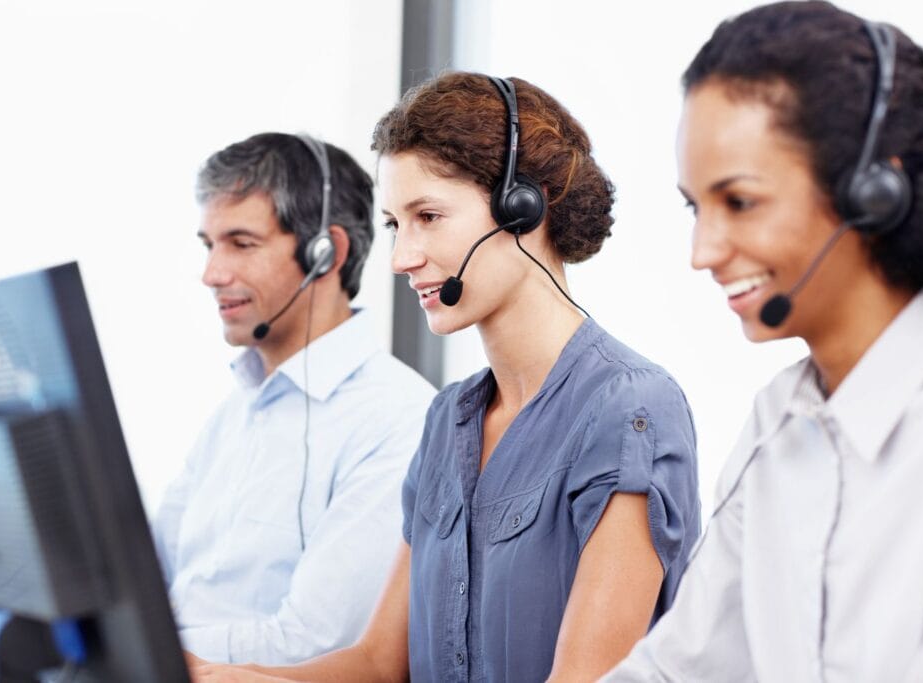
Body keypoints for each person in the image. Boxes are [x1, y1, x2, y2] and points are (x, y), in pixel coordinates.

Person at [190, 73, 700, 682]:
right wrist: (218, 674)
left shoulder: (631, 410)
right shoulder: (449, 420)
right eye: (395, 226)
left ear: (523, 209)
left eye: (428, 216)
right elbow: (381, 663)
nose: (404, 257)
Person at [605, 2, 923, 681]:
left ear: (875, 192)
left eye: (740, 201)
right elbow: (678, 668)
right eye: (697, 207)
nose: (703, 252)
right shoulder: (779, 424)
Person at [153, 132, 435, 665]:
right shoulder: (233, 413)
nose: (212, 273)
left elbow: (314, 646)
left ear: (325, 254)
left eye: (241, 243)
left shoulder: (397, 420)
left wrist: (135, 653)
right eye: (208, 244)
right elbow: (142, 580)